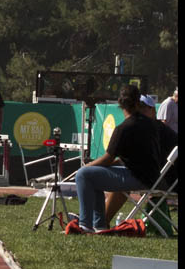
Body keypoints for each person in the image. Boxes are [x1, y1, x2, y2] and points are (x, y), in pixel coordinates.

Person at [74, 84, 162, 233]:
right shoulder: (150, 124)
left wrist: (86, 167)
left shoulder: (124, 128)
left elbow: (108, 159)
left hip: (139, 177)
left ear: (120, 104)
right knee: (92, 175)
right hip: (152, 176)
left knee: (84, 175)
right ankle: (99, 225)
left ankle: (85, 225)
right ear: (137, 103)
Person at [104, 93, 178, 225]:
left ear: (153, 111)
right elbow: (133, 159)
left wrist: (104, 164)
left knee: (123, 180)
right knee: (122, 176)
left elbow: (138, 161)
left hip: (167, 182)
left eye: (144, 107)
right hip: (163, 179)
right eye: (138, 107)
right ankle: (98, 219)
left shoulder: (153, 130)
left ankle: (101, 221)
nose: (140, 111)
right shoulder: (150, 128)